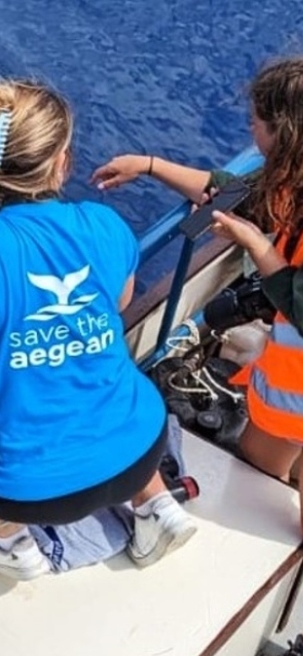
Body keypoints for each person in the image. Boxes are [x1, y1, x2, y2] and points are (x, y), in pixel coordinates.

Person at [0, 77, 197, 581]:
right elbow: (119, 302)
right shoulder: (104, 225)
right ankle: (159, 508)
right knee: (104, 373)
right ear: (63, 162)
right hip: (142, 453)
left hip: (26, 493)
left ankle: (11, 541)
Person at [93, 56, 303, 532]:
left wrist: (257, 246)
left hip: (294, 398)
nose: (251, 131)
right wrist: (148, 166)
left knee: (260, 474)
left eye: (257, 123)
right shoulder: (291, 181)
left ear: (283, 133)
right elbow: (226, 189)